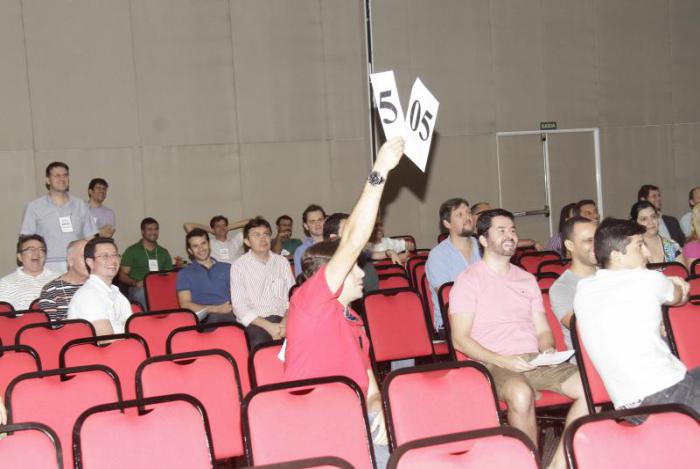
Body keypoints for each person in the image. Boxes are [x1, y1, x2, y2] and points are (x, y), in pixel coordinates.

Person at [284, 137, 406, 468]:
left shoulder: (353, 318)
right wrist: (380, 169)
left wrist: (378, 406)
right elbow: (352, 239)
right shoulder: (310, 302)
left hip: (355, 413)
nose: (361, 272)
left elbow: (370, 385)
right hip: (315, 421)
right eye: (354, 267)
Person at [449, 209, 586, 469]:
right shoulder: (468, 281)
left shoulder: (526, 279)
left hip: (533, 360)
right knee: (521, 394)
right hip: (493, 362)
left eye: (512, 230)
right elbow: (460, 340)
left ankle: (558, 463)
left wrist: (547, 349)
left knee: (590, 387)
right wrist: (504, 361)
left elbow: (543, 330)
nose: (510, 235)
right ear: (483, 240)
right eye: (501, 231)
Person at [574, 218, 694, 421]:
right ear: (616, 256)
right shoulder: (648, 279)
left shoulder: (583, 288)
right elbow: (680, 297)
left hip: (627, 407)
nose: (647, 253)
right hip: (668, 394)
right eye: (639, 246)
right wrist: (675, 282)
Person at [20, 162, 97, 272]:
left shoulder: (81, 205)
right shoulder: (34, 207)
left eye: (65, 175)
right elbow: (27, 240)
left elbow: (90, 238)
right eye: (57, 175)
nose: (62, 179)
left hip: (77, 264)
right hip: (46, 265)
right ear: (48, 180)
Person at [230, 217, 295, 349]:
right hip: (257, 322)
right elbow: (240, 307)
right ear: (247, 241)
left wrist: (285, 322)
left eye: (266, 234)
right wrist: (269, 327)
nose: (263, 238)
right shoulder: (239, 266)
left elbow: (293, 297)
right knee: (260, 346)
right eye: (257, 235)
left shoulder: (282, 262)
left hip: (285, 318)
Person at [425, 198, 481, 332]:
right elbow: (448, 296)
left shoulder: (483, 246)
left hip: (486, 317)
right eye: (459, 215)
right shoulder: (438, 255)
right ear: (447, 223)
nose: (467, 217)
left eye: (468, 212)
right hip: (453, 323)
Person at [549, 216, 597, 352]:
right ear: (570, 245)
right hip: (588, 359)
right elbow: (583, 327)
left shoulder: (611, 274)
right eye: (589, 240)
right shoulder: (561, 288)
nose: (597, 245)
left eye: (598, 239)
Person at [68, 237, 132, 335]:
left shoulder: (116, 293)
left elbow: (134, 326)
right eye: (105, 256)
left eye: (115, 255)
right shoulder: (88, 295)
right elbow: (105, 338)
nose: (113, 261)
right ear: (90, 262)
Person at [176, 228, 233, 323]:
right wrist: (216, 309)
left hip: (229, 313)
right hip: (204, 318)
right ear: (190, 251)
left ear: (209, 244)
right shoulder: (185, 273)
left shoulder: (227, 268)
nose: (201, 249)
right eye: (195, 246)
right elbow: (185, 304)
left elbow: (238, 296)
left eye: (203, 243)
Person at [119, 217, 174, 308]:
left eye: (156, 229)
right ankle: (149, 317)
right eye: (149, 229)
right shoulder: (132, 250)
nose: (153, 232)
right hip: (139, 288)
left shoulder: (163, 252)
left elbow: (169, 275)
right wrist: (135, 283)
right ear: (142, 231)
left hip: (159, 287)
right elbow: (122, 275)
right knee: (142, 293)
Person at [324, 212, 379, 293]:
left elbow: (372, 296)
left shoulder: (365, 265)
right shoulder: (322, 269)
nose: (355, 234)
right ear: (333, 238)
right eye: (348, 231)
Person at [0, 235, 58, 310]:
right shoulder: (6, 282)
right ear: (20, 257)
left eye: (41, 249)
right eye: (30, 249)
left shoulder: (58, 279)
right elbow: (4, 313)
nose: (36, 252)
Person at [38, 239, 89, 321]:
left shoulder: (99, 285)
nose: (90, 261)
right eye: (84, 257)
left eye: (92, 257)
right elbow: (50, 326)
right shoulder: (51, 290)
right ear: (70, 261)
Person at [630, 200, 684, 264]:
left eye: (653, 217)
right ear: (634, 223)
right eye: (644, 219)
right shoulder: (632, 249)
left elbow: (682, 269)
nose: (651, 222)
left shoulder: (671, 246)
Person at [183, 215, 249, 263]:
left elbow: (250, 222)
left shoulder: (236, 241)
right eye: (218, 226)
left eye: (224, 225)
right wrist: (209, 229)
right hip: (217, 275)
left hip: (236, 274)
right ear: (213, 229)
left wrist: (230, 227)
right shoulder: (208, 243)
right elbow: (187, 225)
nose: (222, 228)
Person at [293, 204, 326, 276]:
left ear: (325, 221)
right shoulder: (301, 251)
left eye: (320, 220)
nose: (317, 224)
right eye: (312, 221)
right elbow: (300, 279)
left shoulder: (335, 243)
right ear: (306, 226)